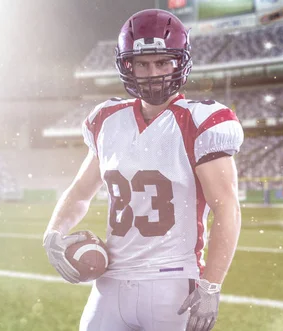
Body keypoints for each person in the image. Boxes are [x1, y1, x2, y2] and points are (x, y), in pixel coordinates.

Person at [43, 8, 244, 331]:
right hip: (111, 281)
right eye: (142, 64)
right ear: (127, 66)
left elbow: (226, 208)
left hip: (173, 283)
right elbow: (81, 191)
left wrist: (211, 284)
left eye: (163, 62)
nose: (153, 73)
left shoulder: (200, 121)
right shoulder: (107, 120)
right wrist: (53, 233)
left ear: (180, 62)